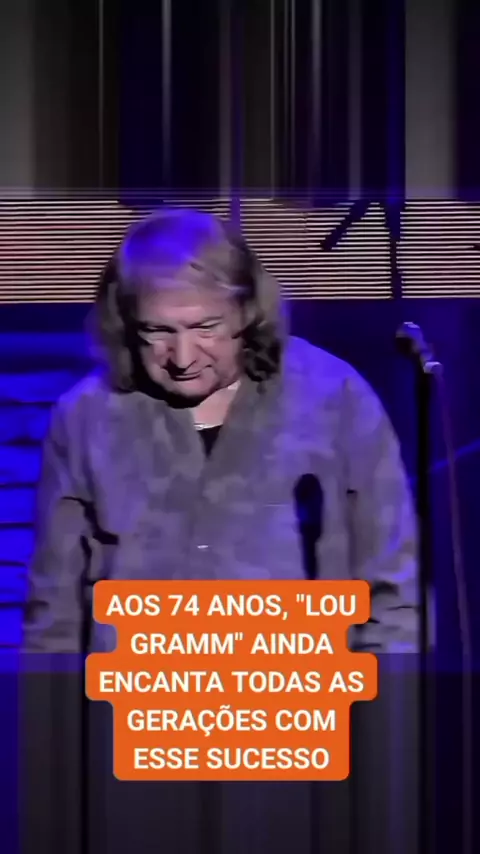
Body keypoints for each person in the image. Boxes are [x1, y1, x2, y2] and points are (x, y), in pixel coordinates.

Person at [22, 208, 418, 654]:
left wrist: (388, 695)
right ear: (127, 324)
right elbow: (53, 611)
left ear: (246, 311)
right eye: (157, 331)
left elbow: (393, 592)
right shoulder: (84, 416)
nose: (183, 357)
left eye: (205, 327)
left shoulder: (335, 398)